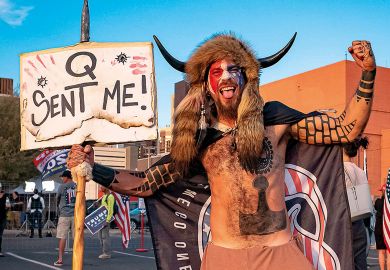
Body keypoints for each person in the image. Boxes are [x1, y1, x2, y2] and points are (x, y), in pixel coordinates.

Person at [67, 35, 376, 269]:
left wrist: (367, 73)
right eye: (217, 71)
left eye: (234, 69)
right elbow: (146, 183)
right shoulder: (200, 141)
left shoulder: (275, 119)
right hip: (225, 257)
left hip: (279, 252)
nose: (227, 76)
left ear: (247, 78)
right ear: (207, 85)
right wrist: (92, 169)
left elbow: (346, 129)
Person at [342, 137, 370, 270]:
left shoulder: (339, 170)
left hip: (344, 223)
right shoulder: (361, 172)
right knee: (360, 262)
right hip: (360, 222)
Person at [54, 170, 76, 267]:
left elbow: (57, 198)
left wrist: (59, 207)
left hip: (64, 214)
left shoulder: (62, 186)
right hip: (75, 215)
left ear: (67, 177)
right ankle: (77, 259)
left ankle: (60, 259)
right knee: (76, 238)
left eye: (63, 177)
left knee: (62, 237)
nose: (62, 179)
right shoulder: (77, 185)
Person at [98, 185, 114, 259]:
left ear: (106, 187)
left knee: (105, 237)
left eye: (101, 186)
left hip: (106, 220)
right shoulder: (104, 196)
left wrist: (107, 221)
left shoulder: (110, 197)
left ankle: (107, 253)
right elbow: (103, 207)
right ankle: (104, 252)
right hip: (101, 220)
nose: (100, 188)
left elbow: (110, 210)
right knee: (100, 237)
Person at [375, 184, 388, 270]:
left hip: (379, 229)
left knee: (381, 252)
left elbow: (375, 207)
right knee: (388, 251)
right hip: (388, 229)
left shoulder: (378, 202)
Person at [0, 188, 10, 257]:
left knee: (0, 235)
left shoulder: (5, 197)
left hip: (2, 218)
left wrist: (6, 207)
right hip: (3, 216)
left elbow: (8, 205)